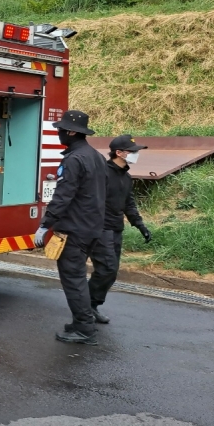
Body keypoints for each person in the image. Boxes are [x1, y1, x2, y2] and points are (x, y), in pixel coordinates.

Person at [34, 110, 106, 345]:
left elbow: (63, 196)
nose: (59, 133)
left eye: (61, 130)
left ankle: (84, 329)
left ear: (72, 132)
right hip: (92, 227)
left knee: (73, 279)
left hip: (74, 230)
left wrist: (45, 225)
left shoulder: (74, 160)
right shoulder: (95, 156)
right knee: (77, 277)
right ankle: (80, 322)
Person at [88, 135, 153, 324]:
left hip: (116, 228)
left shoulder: (126, 176)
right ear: (119, 153)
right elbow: (90, 201)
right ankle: (86, 305)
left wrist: (140, 225)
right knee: (107, 268)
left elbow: (129, 204)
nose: (136, 154)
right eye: (132, 151)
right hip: (100, 229)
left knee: (112, 271)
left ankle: (91, 304)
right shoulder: (102, 174)